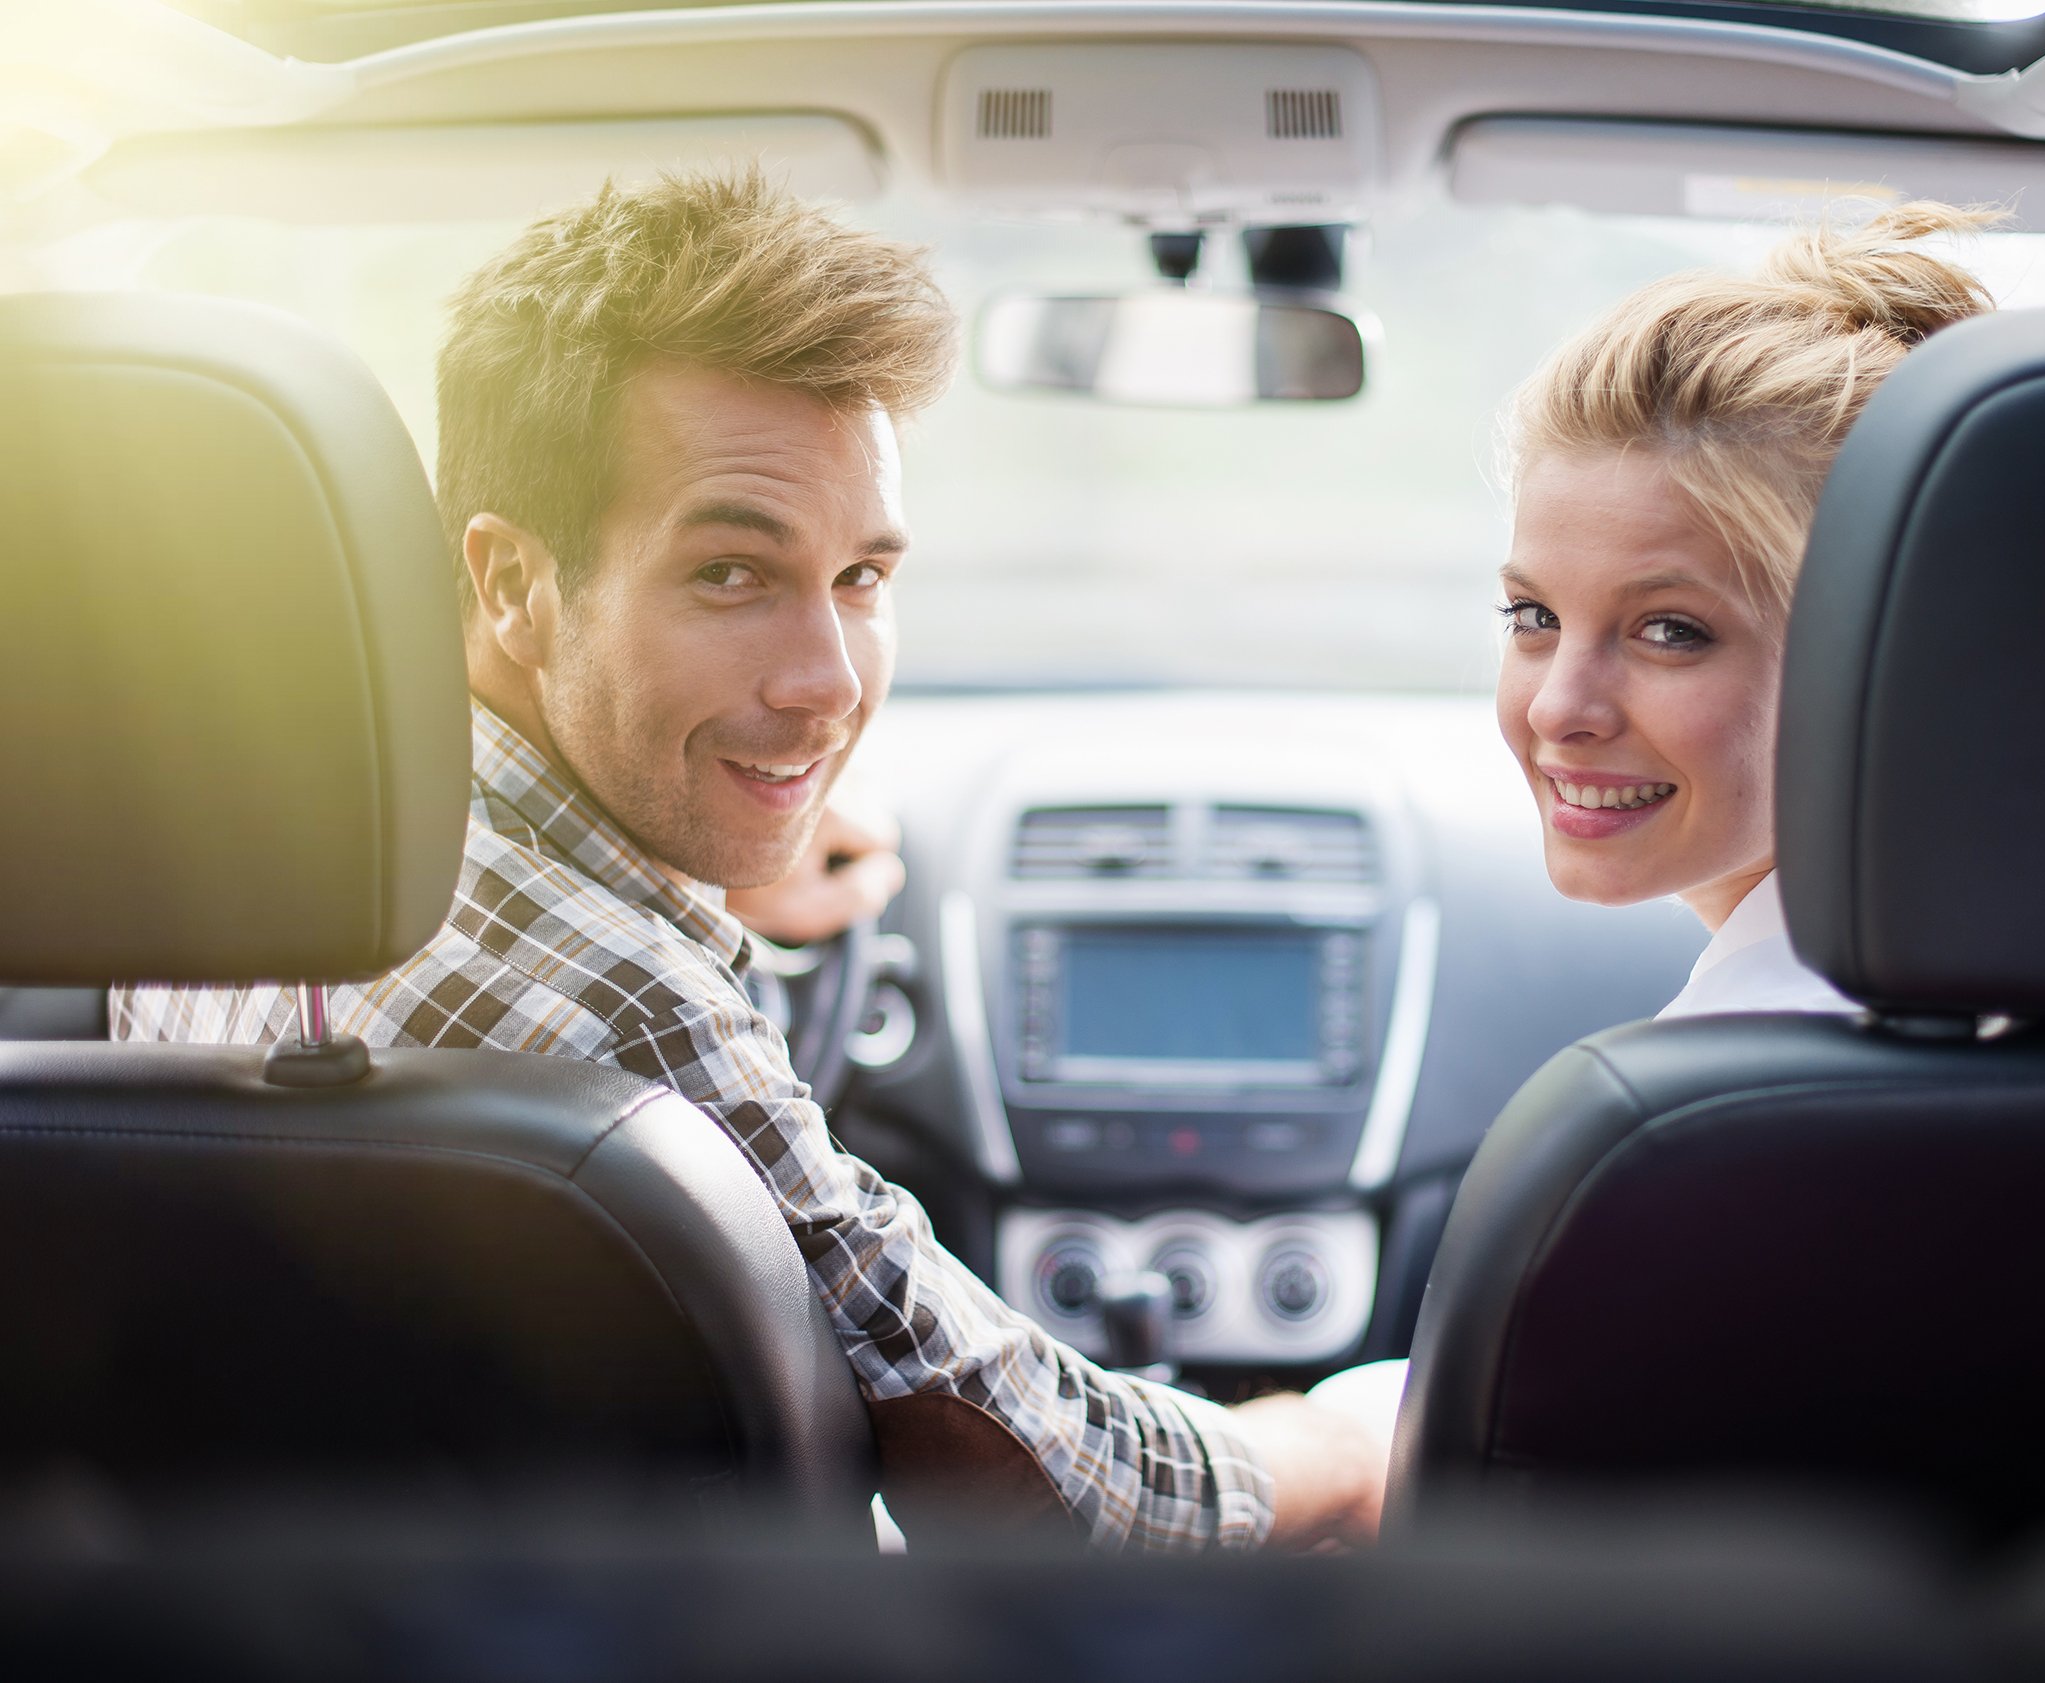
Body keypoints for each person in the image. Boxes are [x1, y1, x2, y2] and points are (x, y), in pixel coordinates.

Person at [112, 170, 1383, 1552]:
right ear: (509, 582)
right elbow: (1058, 1483)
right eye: (732, 573)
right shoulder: (629, 1001)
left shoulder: (214, 851)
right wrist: (1345, 1440)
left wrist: (715, 886)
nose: (829, 682)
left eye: (863, 578)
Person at [1494, 202, 1995, 1016]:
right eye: (1532, 618)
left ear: (1889, 660)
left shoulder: (1727, 1091)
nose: (1558, 707)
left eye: (1669, 632)